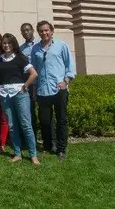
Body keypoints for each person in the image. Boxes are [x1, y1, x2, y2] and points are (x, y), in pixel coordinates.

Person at [31, 21, 76, 161]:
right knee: (45, 121)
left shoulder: (61, 46)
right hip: (42, 90)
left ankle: (61, 149)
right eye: (41, 31)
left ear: (51, 31)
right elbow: (34, 70)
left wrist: (66, 81)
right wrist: (34, 89)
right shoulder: (35, 49)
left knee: (61, 120)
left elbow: (70, 66)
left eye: (46, 30)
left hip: (59, 89)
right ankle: (48, 145)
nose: (44, 33)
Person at [0, 33, 40, 165]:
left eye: (9, 43)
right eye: (4, 43)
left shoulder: (21, 57)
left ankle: (33, 155)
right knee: (12, 126)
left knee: (26, 124)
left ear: (13, 44)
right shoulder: (0, 59)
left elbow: (34, 74)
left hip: (20, 94)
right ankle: (17, 153)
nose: (6, 45)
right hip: (5, 95)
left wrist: (24, 86)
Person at [20, 22, 43, 142]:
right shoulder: (21, 49)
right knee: (30, 111)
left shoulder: (40, 45)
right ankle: (31, 137)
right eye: (23, 31)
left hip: (41, 82)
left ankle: (47, 139)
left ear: (32, 30)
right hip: (29, 83)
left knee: (44, 112)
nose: (25, 32)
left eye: (27, 30)